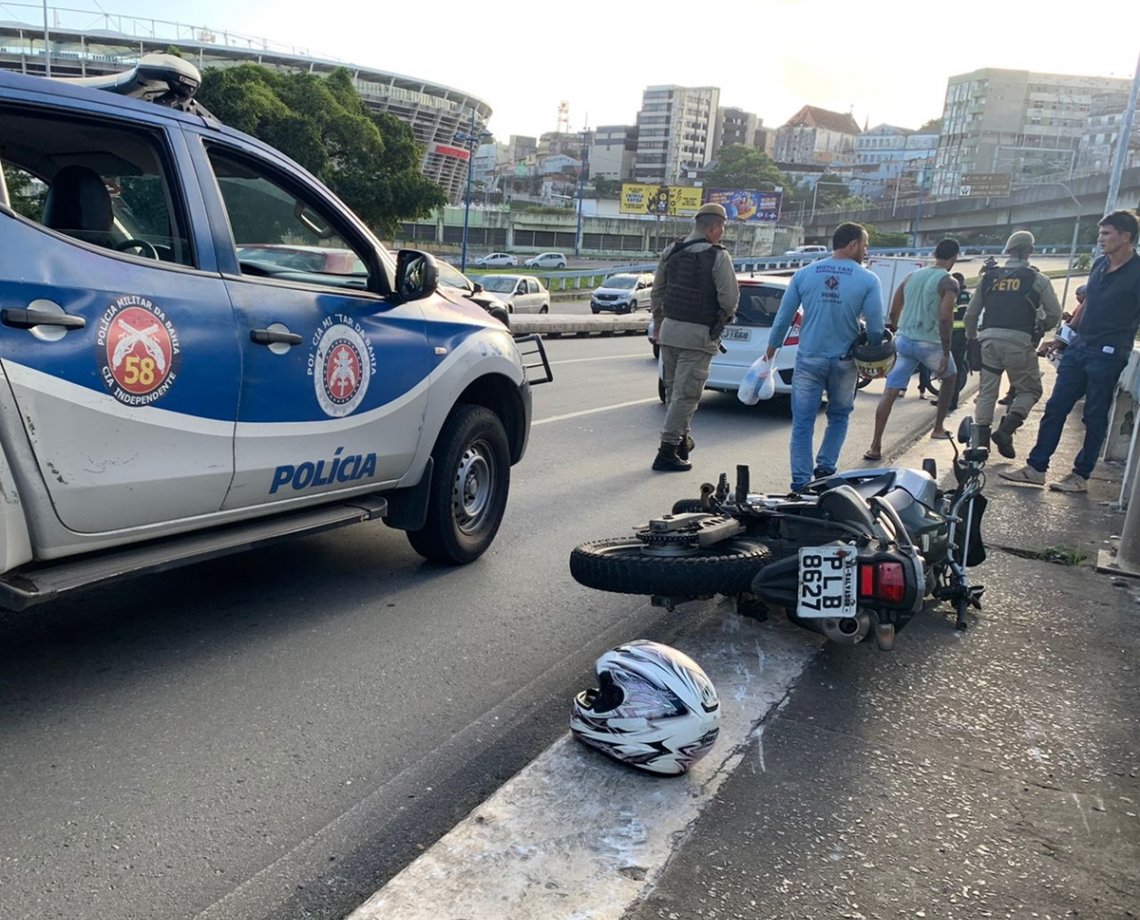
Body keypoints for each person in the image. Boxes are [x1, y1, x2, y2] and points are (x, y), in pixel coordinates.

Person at [1002, 210, 1140, 492]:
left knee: (1094, 415)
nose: (1100, 239)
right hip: (1079, 349)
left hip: (1109, 353)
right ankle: (1036, 468)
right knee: (1055, 408)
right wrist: (1064, 339)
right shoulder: (1100, 265)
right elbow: (1086, 305)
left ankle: (1080, 476)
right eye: (1100, 233)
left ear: (1126, 237)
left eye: (1106, 234)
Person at [765, 222, 883, 491]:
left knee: (802, 422)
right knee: (839, 416)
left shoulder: (804, 274)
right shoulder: (867, 279)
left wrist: (770, 353)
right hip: (845, 361)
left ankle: (800, 482)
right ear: (853, 245)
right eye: (864, 245)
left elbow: (783, 319)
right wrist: (872, 358)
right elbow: (876, 329)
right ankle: (826, 470)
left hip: (808, 359)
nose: (865, 250)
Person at [649, 202, 739, 472]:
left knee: (676, 392)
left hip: (670, 332)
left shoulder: (672, 251)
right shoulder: (717, 256)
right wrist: (724, 318)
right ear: (714, 227)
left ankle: (681, 443)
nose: (721, 233)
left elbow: (657, 293)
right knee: (686, 396)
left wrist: (658, 324)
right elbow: (730, 299)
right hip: (698, 336)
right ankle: (666, 450)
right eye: (721, 228)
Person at [965, 230, 1062, 459]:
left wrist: (973, 337)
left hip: (988, 340)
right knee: (1030, 389)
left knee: (987, 391)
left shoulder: (988, 277)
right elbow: (1054, 314)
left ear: (1008, 250)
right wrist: (1039, 328)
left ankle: (979, 445)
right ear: (1030, 251)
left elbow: (971, 314)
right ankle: (1006, 429)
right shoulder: (1037, 279)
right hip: (1019, 342)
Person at [864, 238, 960, 460]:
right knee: (951, 377)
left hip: (904, 341)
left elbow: (895, 308)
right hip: (930, 343)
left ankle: (875, 446)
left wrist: (899, 328)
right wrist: (946, 352)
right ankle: (938, 427)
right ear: (954, 257)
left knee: (890, 391)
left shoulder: (912, 276)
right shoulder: (949, 282)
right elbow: (946, 318)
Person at [947, 271, 971, 411]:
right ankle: (945, 399)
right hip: (950, 336)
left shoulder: (963, 295)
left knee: (954, 370)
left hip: (959, 337)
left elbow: (962, 315)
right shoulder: (954, 295)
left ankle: (952, 401)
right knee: (947, 371)